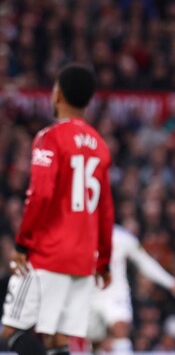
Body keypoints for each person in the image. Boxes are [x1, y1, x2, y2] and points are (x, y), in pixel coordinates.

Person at [1, 64, 114, 355]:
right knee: (57, 340)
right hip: (83, 259)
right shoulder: (100, 145)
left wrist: (22, 245)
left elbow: (40, 195)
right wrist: (103, 261)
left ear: (58, 94)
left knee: (12, 330)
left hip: (49, 254)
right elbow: (105, 210)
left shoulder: (49, 138)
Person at [87, 224, 175, 354]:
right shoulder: (75, 236)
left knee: (120, 327)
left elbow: (144, 260)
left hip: (114, 292)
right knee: (95, 339)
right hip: (88, 295)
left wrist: (171, 283)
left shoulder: (121, 237)